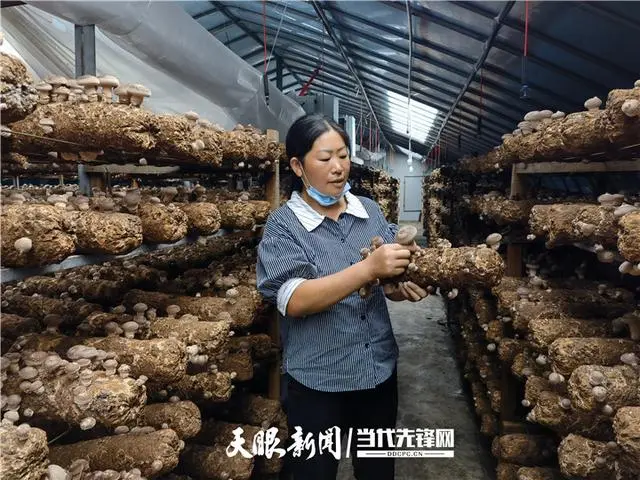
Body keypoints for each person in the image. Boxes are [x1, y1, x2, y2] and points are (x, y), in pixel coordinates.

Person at [256, 114, 428, 480]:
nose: (338, 168)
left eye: (344, 156)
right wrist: (367, 270)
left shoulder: (369, 211)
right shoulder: (283, 225)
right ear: (298, 166)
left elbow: (384, 280)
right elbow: (294, 299)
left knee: (378, 471)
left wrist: (396, 285)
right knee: (314, 473)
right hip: (319, 380)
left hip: (376, 370)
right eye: (324, 158)